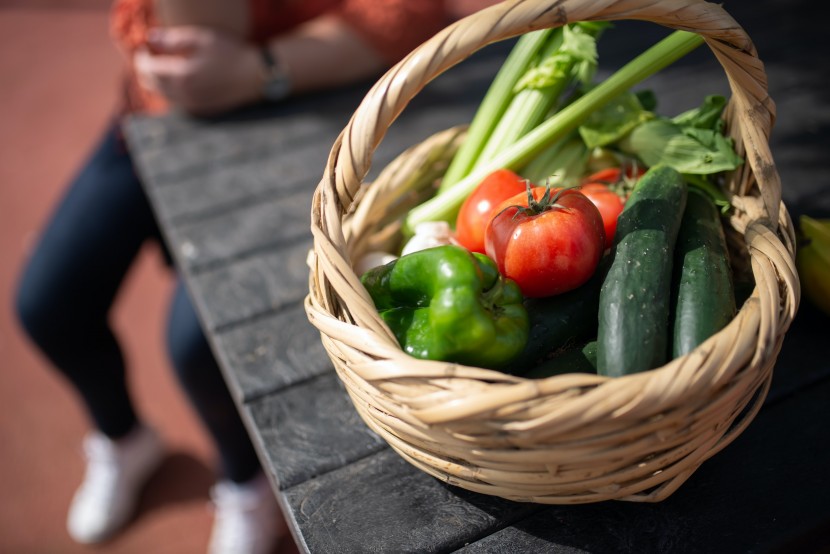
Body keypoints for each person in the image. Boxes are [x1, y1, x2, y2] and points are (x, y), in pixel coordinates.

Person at [14, 1, 449, 552]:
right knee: (48, 304)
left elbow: (410, 13)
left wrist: (258, 70)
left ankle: (243, 480)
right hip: (159, 117)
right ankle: (122, 438)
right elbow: (186, 57)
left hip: (305, 120)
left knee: (200, 347)